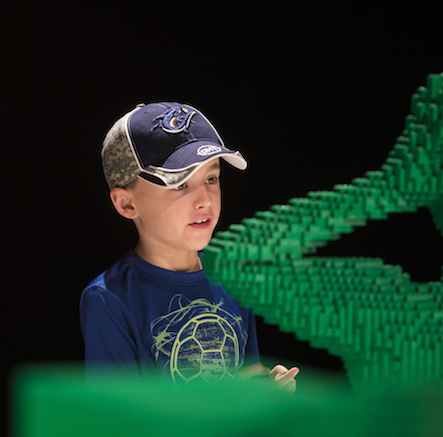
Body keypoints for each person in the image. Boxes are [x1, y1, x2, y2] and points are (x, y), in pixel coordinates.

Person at [79, 102, 299, 391]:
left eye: (211, 178)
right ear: (126, 203)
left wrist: (264, 388)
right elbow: (120, 420)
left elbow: (244, 379)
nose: (204, 200)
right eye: (179, 183)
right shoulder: (108, 300)